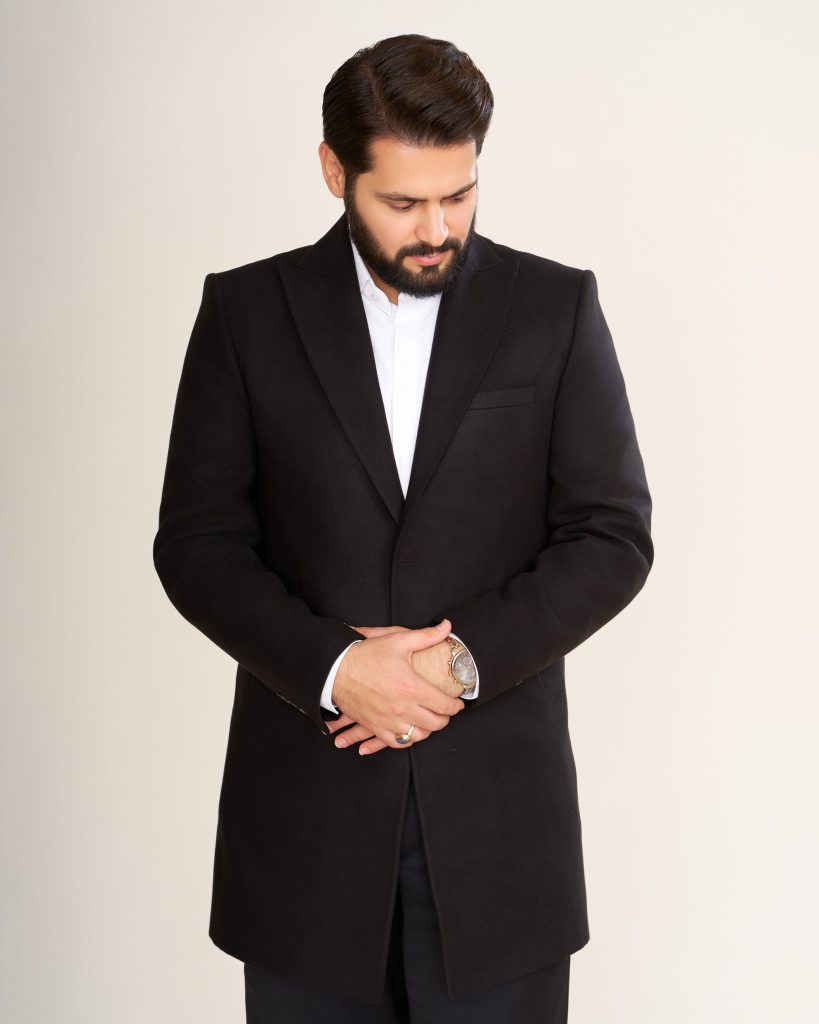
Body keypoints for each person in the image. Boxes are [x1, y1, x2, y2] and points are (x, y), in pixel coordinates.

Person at [153, 32, 654, 1024]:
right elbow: (197, 544)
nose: (437, 228)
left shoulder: (554, 307)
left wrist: (456, 664)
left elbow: (611, 535)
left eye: (459, 195)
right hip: (304, 839)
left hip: (497, 844)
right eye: (402, 202)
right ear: (333, 171)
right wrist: (336, 668)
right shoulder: (245, 313)